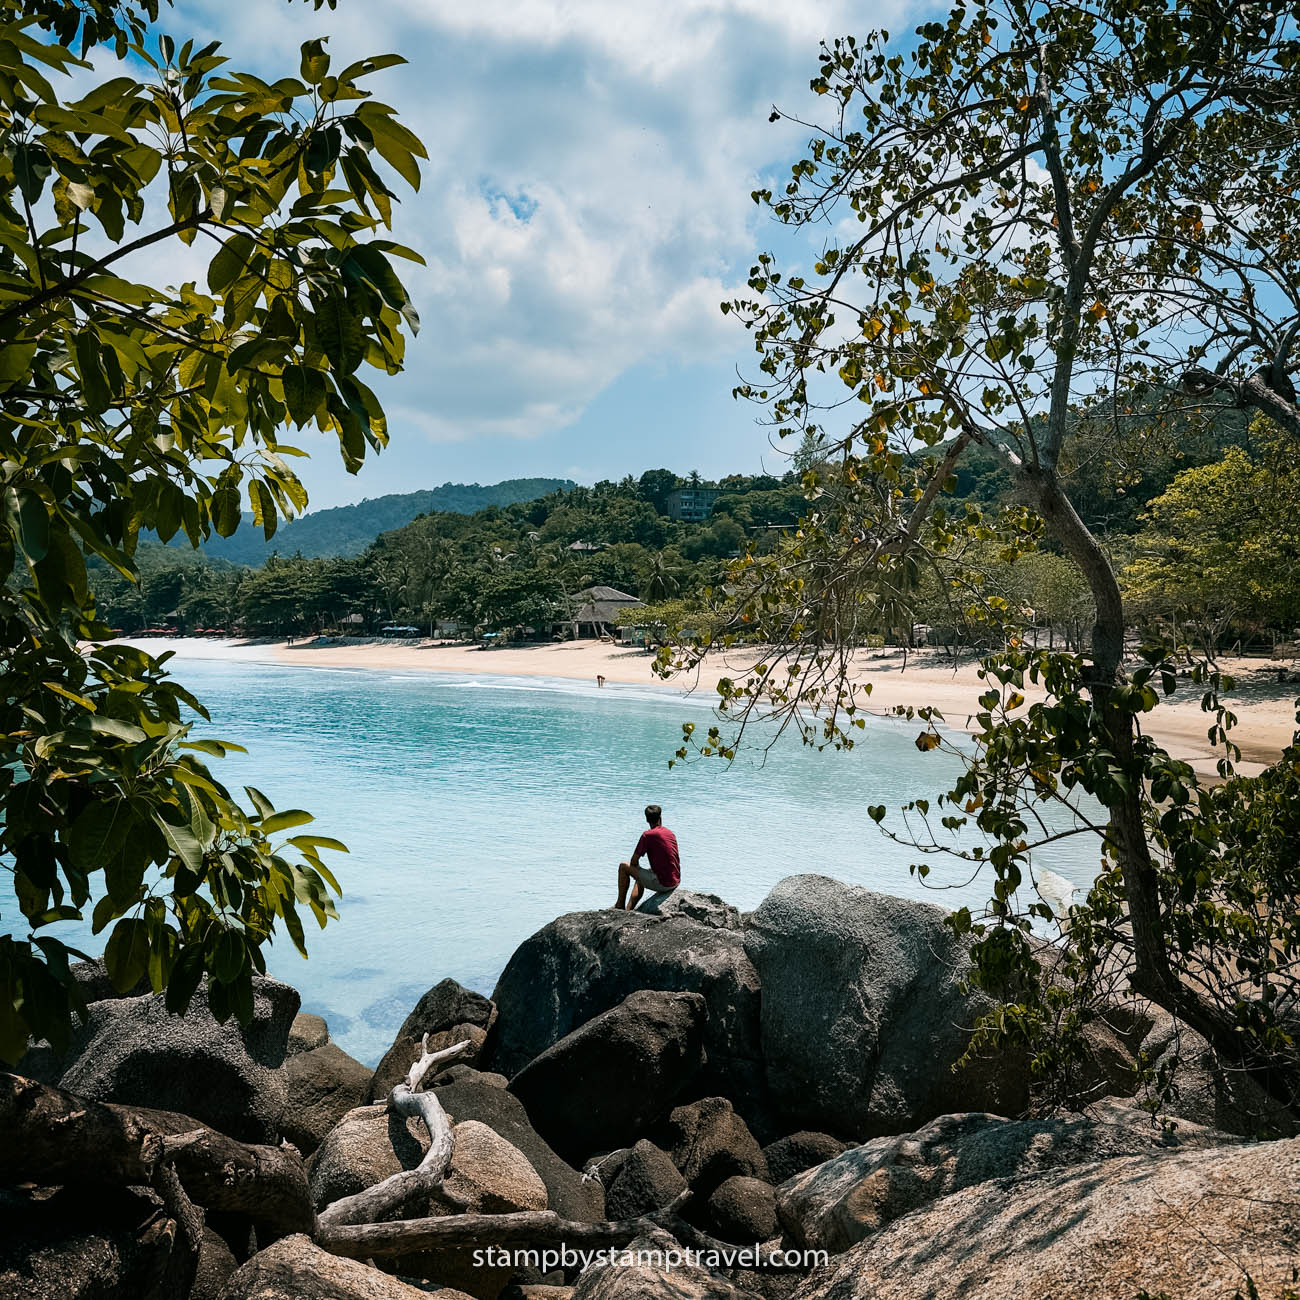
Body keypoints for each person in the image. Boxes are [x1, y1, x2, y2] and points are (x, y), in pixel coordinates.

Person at [614, 804, 680, 911]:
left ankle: (620, 905)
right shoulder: (669, 833)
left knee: (623, 866)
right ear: (660, 818)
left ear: (647, 820)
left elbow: (634, 861)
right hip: (675, 880)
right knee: (641, 874)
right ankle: (629, 910)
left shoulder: (648, 835)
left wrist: (636, 869)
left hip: (664, 883)